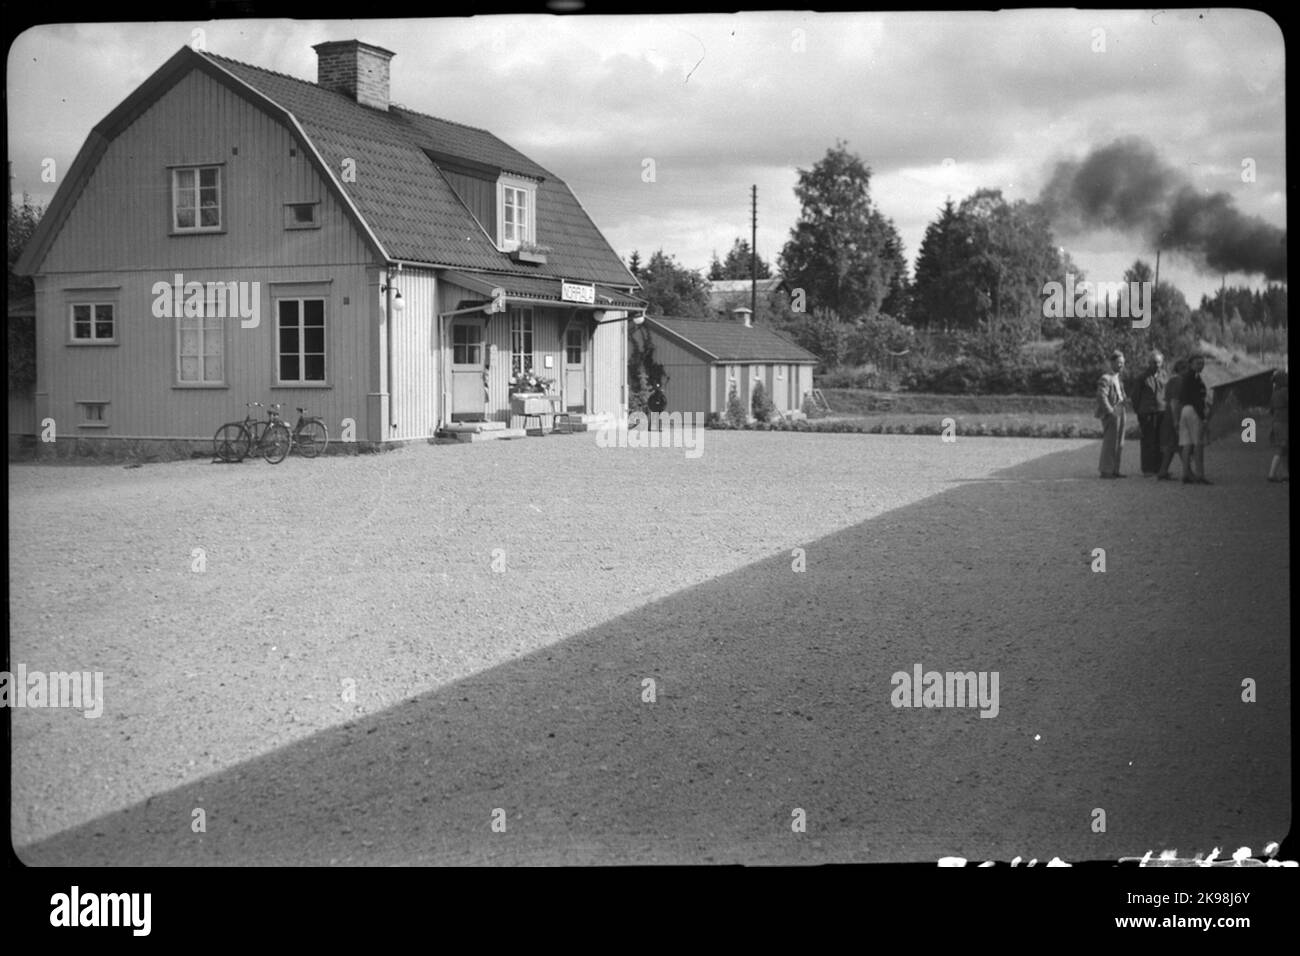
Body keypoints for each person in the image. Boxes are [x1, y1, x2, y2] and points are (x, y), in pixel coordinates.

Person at [1178, 353, 1212, 484]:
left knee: (1187, 443)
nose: (1201, 365)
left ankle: (1185, 473)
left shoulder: (1186, 377)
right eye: (1198, 363)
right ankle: (1200, 474)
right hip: (1193, 410)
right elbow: (1196, 399)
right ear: (1191, 364)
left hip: (1185, 409)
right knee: (1198, 444)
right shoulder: (1194, 377)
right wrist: (1203, 417)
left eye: (1202, 363)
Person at [1133, 349, 1167, 476]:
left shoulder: (1164, 375)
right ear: (1149, 363)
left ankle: (1159, 468)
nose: (1156, 365)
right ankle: (1147, 468)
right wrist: (1140, 412)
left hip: (1161, 412)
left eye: (1158, 362)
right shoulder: (1142, 377)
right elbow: (1135, 397)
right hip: (1147, 413)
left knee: (1160, 440)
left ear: (1162, 363)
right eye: (1153, 362)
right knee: (1148, 440)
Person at [1095, 349, 1127, 478]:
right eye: (1119, 363)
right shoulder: (1106, 378)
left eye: (1123, 363)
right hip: (1112, 412)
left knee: (1120, 442)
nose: (1121, 365)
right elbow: (1101, 396)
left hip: (1121, 410)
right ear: (1112, 363)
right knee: (1110, 442)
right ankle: (1106, 471)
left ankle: (1115, 470)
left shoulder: (1118, 378)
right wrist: (1110, 411)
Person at [1156, 356, 1187, 481]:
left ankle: (1163, 471)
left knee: (1172, 445)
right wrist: (1176, 420)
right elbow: (1174, 402)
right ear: (1181, 369)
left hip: (1171, 414)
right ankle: (1188, 471)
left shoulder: (1172, 381)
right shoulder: (1178, 381)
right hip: (1175, 415)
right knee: (1180, 444)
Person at [1268, 370, 1289, 483]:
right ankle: (1271, 474)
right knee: (1281, 449)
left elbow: (1271, 410)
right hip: (1284, 424)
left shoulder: (1274, 393)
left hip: (1276, 423)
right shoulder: (1285, 391)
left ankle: (1286, 474)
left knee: (1285, 449)